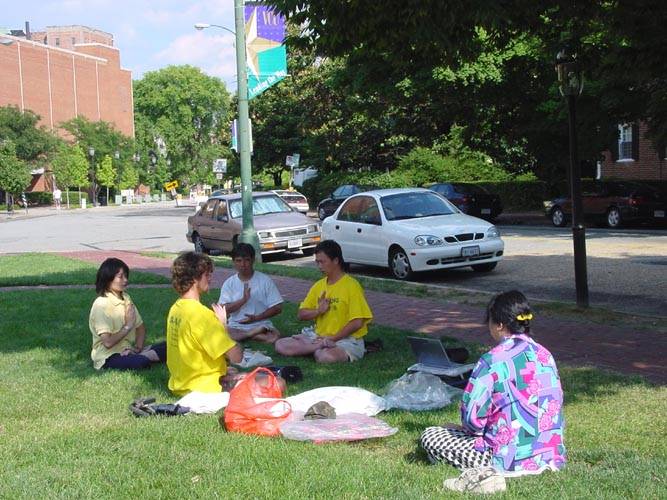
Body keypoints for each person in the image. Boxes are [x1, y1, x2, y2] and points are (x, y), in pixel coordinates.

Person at [420, 291, 566, 492]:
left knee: (430, 435)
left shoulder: (491, 361)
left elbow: (472, 419)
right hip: (550, 454)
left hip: (505, 458)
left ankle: (480, 472)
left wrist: (462, 430)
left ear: (499, 324)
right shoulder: (545, 355)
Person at [275, 240, 373, 363]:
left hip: (346, 340)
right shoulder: (318, 285)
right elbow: (301, 314)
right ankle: (318, 347)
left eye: (322, 262)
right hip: (317, 337)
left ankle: (314, 348)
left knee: (326, 356)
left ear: (336, 261)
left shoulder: (352, 286)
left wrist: (332, 338)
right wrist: (318, 311)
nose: (319, 266)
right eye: (317, 262)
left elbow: (357, 322)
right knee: (280, 344)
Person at [166, 251, 243, 396]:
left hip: (181, 385)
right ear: (195, 279)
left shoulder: (175, 308)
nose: (210, 278)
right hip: (205, 389)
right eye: (207, 275)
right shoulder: (202, 315)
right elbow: (236, 357)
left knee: (232, 371)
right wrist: (223, 326)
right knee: (276, 382)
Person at [89, 258, 166, 370]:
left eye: (126, 276)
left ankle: (141, 355)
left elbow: (140, 327)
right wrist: (128, 326)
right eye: (120, 277)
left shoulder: (126, 298)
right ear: (108, 279)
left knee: (170, 346)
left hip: (128, 351)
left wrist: (138, 348)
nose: (125, 280)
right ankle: (145, 356)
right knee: (141, 362)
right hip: (108, 356)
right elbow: (108, 342)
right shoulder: (101, 304)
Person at [218, 243, 283, 344]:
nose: (243, 264)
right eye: (238, 261)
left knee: (275, 336)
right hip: (236, 325)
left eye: (246, 260)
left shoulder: (265, 280)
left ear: (253, 260)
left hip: (260, 323)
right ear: (233, 262)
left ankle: (250, 334)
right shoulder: (229, 283)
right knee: (221, 331)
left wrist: (256, 318)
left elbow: (278, 307)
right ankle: (253, 334)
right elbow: (223, 310)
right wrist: (243, 300)